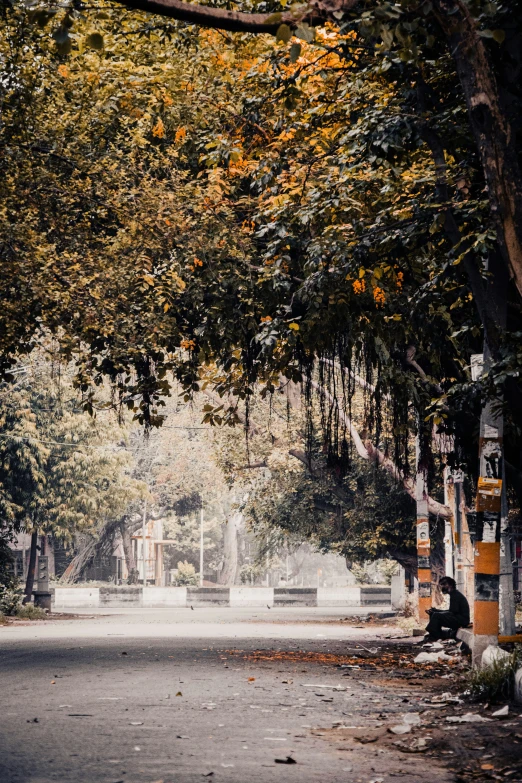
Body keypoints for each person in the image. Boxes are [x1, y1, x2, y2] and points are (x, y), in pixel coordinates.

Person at [425, 576, 470, 641]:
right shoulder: (454, 594)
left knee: (435, 615)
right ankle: (435, 635)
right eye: (442, 585)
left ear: (451, 585)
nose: (443, 587)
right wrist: (436, 610)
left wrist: (437, 612)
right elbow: (452, 611)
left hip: (462, 621)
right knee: (434, 613)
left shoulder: (455, 595)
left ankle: (435, 636)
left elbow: (452, 612)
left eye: (444, 584)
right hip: (459, 618)